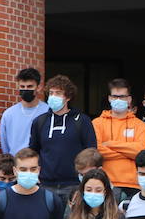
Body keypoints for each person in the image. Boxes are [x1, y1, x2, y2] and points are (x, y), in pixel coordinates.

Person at [28, 74, 98, 202]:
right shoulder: (40, 122)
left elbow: (91, 152)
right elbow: (33, 151)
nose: (53, 96)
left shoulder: (82, 121)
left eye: (58, 93)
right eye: (51, 93)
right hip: (45, 184)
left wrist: (86, 181)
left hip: (74, 185)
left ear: (68, 97)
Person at [94, 78, 145, 201]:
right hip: (106, 184)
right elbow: (96, 151)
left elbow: (140, 152)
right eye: (115, 96)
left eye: (122, 97)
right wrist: (128, 152)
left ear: (129, 99)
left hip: (134, 185)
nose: (118, 100)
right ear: (109, 98)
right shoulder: (97, 123)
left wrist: (110, 144)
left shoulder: (140, 125)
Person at [0, 67, 50, 155]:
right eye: (22, 86)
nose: (26, 89)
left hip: (40, 164)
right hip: (16, 163)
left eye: (30, 86)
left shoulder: (48, 111)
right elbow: (4, 144)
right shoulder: (9, 114)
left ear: (39, 87)